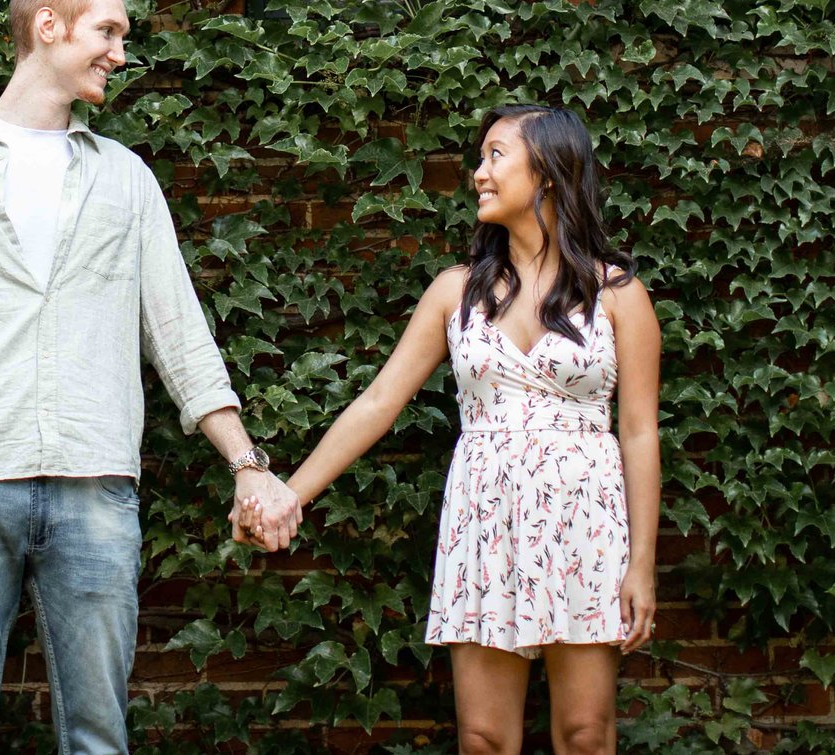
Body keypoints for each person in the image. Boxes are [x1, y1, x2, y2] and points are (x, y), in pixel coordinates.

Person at [0, 0, 301, 755]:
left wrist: (247, 461)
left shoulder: (125, 179)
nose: (120, 53)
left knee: (98, 738)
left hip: (94, 486)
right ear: (47, 26)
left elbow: (180, 334)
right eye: (109, 31)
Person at [238, 104, 662, 755]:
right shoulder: (454, 291)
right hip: (485, 524)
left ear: (549, 170)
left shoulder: (618, 295)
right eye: (479, 156)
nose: (477, 173)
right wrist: (290, 492)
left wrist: (641, 564)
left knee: (586, 733)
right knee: (484, 738)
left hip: (585, 524)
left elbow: (638, 432)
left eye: (497, 155)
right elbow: (378, 401)